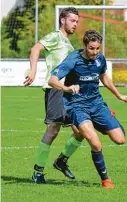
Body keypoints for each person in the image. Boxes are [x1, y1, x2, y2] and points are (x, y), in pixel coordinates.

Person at [48, 30, 127, 189]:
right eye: (91, 48)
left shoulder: (100, 59)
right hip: (76, 106)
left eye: (97, 48)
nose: (95, 52)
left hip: (97, 104)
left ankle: (104, 119)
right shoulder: (73, 59)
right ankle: (106, 180)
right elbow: (52, 80)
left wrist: (119, 95)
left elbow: (104, 77)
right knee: (96, 143)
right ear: (85, 45)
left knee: (120, 140)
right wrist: (67, 88)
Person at [24, 7, 82, 184]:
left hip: (69, 91)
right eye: (73, 20)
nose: (76, 24)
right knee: (53, 130)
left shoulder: (70, 45)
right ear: (63, 20)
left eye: (77, 22)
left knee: (81, 131)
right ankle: (38, 171)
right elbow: (35, 49)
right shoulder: (55, 36)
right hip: (55, 89)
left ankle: (61, 161)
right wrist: (33, 71)